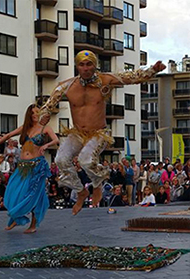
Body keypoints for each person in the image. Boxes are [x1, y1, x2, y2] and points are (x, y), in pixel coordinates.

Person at [39, 50, 166, 215]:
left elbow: (131, 77)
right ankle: (81, 191)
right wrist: (45, 114)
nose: (85, 68)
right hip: (77, 133)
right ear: (77, 66)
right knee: (61, 160)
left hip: (99, 133)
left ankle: (97, 184)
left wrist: (152, 70)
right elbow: (49, 103)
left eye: (89, 64)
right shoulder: (67, 86)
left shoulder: (105, 80)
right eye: (82, 65)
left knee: (85, 160)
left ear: (95, 65)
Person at [0, 104, 59, 233]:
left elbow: (56, 139)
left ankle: (32, 225)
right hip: (22, 166)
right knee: (14, 190)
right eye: (32, 113)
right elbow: (8, 135)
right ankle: (17, 217)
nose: (35, 115)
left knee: (34, 195)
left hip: (37, 166)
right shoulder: (25, 128)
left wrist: (46, 145)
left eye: (37, 112)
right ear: (29, 115)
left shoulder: (45, 128)